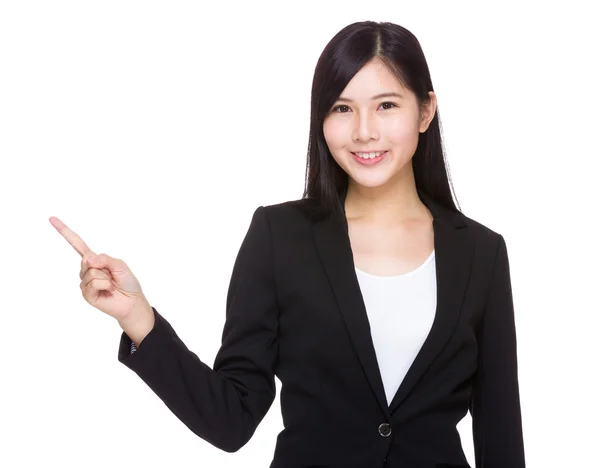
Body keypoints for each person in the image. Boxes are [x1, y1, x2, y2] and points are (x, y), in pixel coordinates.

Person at [50, 20, 526, 468]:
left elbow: (500, 433)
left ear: (425, 111)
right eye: (342, 108)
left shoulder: (481, 254)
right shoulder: (280, 237)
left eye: (386, 105)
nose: (364, 130)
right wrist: (138, 318)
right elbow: (230, 419)